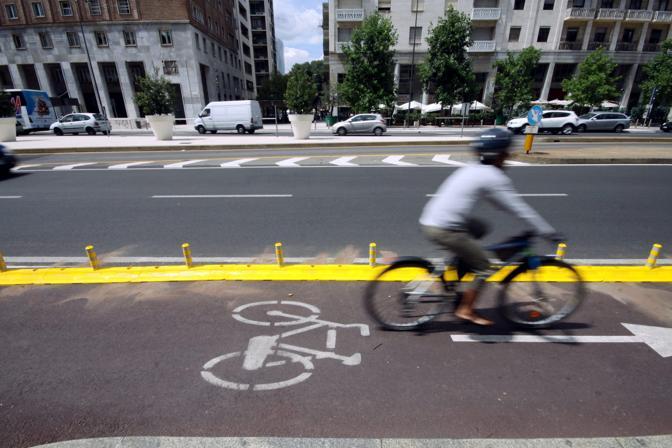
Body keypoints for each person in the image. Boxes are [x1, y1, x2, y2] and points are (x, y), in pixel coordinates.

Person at [419, 128, 561, 326]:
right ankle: (465, 309)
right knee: (485, 266)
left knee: (480, 228)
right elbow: (518, 209)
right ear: (497, 155)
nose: (508, 157)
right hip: (444, 228)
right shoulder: (492, 176)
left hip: (433, 218)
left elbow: (499, 204)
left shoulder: (473, 168)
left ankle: (458, 268)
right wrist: (547, 231)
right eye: (506, 153)